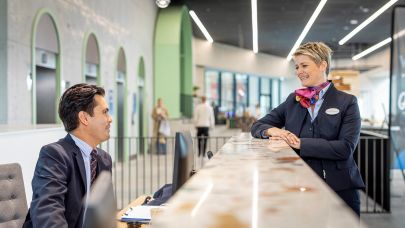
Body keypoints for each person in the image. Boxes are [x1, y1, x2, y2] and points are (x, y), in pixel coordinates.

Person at [251, 42, 365, 216]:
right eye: (297, 67)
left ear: (322, 65)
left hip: (340, 189)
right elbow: (258, 126)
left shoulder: (347, 102)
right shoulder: (293, 100)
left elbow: (345, 148)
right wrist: (273, 131)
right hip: (299, 185)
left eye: (304, 65)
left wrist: (298, 143)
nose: (299, 71)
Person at [23, 83, 113, 227]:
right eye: (105, 112)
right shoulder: (55, 155)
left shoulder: (104, 159)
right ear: (84, 118)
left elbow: (102, 213)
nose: (110, 119)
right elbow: (48, 214)